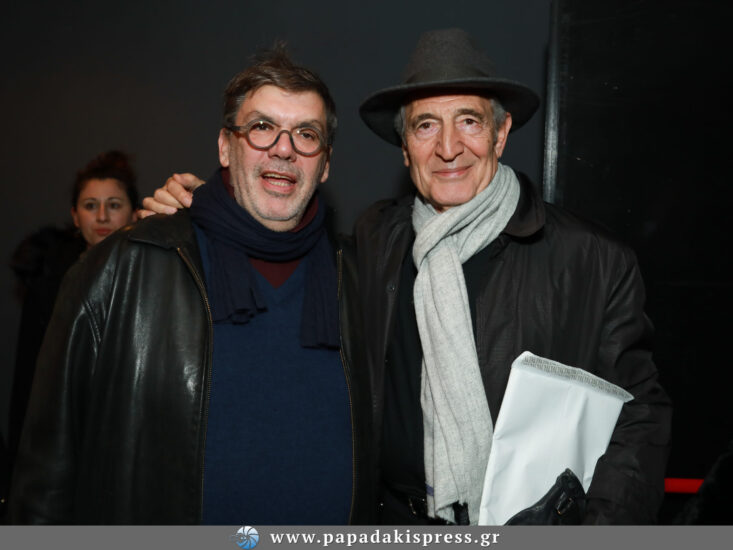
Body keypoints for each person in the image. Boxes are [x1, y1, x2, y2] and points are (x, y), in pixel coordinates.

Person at [145, 29, 671, 526]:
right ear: (404, 147)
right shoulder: (376, 240)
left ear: (501, 133)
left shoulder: (590, 259)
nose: (448, 147)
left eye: (469, 121)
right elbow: (278, 239)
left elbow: (641, 416)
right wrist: (201, 212)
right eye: (425, 126)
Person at [9, 47, 370, 525]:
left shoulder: (360, 280)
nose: (284, 149)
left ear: (324, 164)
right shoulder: (123, 269)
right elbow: (46, 477)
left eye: (307, 134)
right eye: (262, 127)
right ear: (225, 146)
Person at [7, 151, 139, 489]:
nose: (102, 216)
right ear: (75, 216)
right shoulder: (48, 283)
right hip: (64, 445)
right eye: (90, 205)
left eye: (114, 204)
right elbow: (28, 380)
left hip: (131, 446)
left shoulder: (153, 278)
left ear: (134, 213)